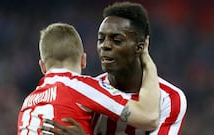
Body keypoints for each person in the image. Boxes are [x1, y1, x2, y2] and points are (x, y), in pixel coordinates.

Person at [40, 1, 187, 135]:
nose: (105, 46)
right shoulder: (86, 92)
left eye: (116, 40)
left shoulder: (170, 98)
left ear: (140, 47)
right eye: (101, 39)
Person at [17, 22, 160, 135]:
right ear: (83, 60)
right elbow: (149, 117)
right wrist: (147, 63)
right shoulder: (81, 87)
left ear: (42, 67)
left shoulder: (28, 102)